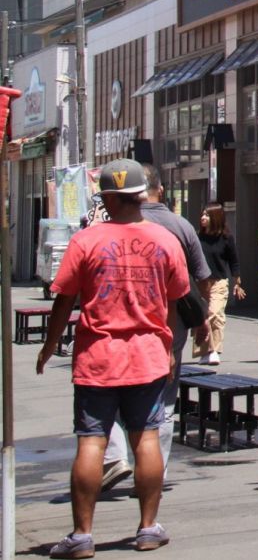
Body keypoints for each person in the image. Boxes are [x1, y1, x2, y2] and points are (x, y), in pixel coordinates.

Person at [37, 159, 188, 557]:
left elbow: (63, 299)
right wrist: (167, 343)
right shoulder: (165, 240)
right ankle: (148, 528)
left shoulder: (85, 241)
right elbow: (174, 299)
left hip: (97, 357)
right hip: (148, 356)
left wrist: (50, 344)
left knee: (91, 442)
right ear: (141, 195)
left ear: (105, 197)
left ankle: (82, 535)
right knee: (146, 439)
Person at [102, 166, 209, 493]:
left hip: (116, 324)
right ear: (159, 190)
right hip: (169, 327)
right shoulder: (180, 227)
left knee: (109, 396)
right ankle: (153, 475)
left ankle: (117, 455)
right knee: (162, 404)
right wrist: (203, 320)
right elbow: (201, 279)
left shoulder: (107, 227)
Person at [192, 205, 244, 365]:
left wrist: (237, 282)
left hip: (219, 281)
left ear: (215, 217)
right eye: (202, 214)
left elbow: (234, 261)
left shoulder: (226, 238)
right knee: (201, 316)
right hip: (200, 282)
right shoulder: (197, 237)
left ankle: (214, 350)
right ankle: (204, 351)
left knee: (215, 314)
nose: (203, 218)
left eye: (207, 215)